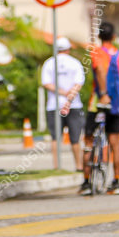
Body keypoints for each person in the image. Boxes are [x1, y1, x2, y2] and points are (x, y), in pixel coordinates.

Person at [83, 21, 119, 195]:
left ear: (99, 36)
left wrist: (103, 93)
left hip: (97, 102)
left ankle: (85, 182)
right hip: (115, 104)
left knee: (89, 140)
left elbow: (100, 71)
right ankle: (117, 181)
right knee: (115, 142)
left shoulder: (96, 52)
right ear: (114, 37)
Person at [40, 36, 86, 181]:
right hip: (73, 104)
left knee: (55, 137)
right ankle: (79, 165)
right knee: (75, 138)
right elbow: (78, 83)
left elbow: (46, 83)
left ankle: (56, 165)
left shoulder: (48, 63)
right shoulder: (75, 63)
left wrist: (61, 92)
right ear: (68, 49)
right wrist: (69, 95)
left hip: (54, 105)